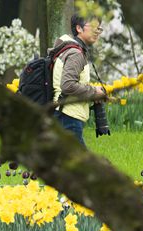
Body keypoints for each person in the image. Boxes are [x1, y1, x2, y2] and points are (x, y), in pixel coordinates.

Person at [50, 14, 108, 145]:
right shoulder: (75, 54)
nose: (97, 32)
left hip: (64, 113)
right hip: (69, 117)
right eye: (93, 27)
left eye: (99, 28)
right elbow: (68, 85)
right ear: (79, 28)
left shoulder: (71, 50)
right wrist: (94, 91)